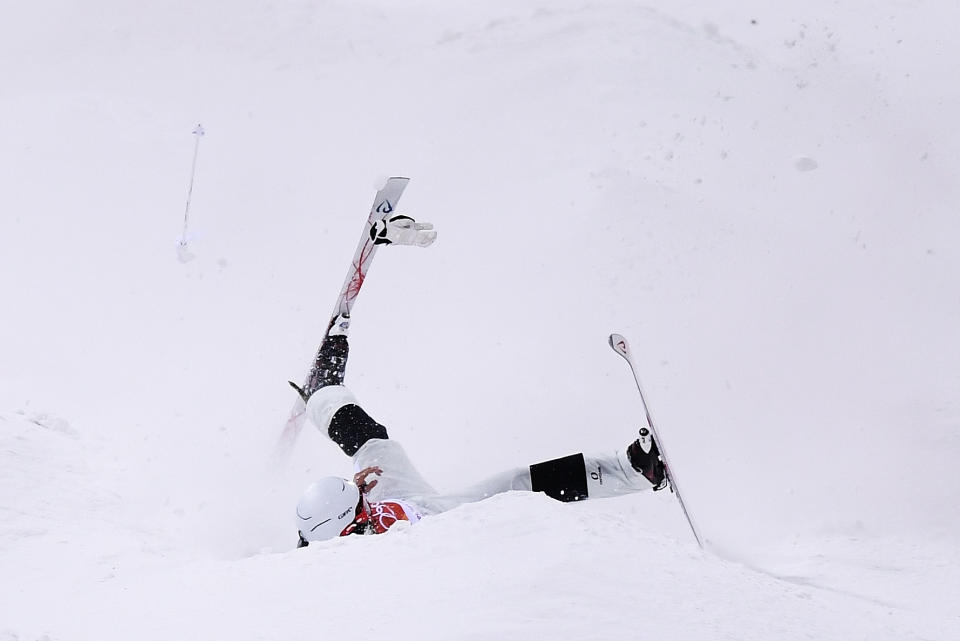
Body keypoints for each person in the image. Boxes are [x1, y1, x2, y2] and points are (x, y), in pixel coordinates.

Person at [293, 315, 668, 547]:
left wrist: (356, 494)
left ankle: (323, 392)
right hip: (432, 525)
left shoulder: (324, 533)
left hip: (406, 504)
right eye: (359, 509)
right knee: (517, 485)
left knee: (373, 443)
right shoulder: (362, 558)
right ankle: (633, 472)